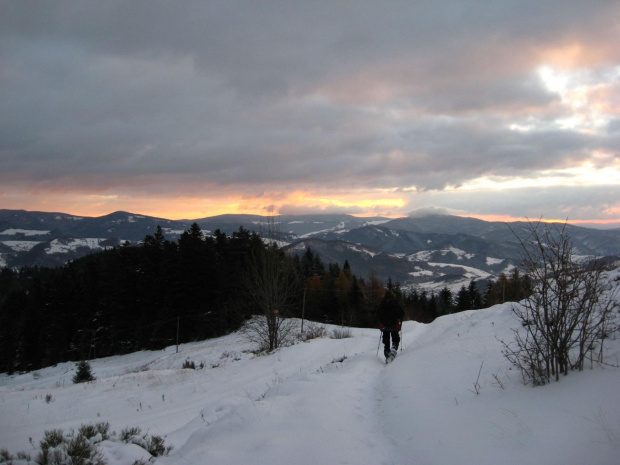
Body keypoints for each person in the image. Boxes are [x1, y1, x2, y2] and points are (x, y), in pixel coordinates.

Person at [378, 290, 404, 361]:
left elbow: (379, 314)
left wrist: (381, 323)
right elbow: (401, 313)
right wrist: (399, 321)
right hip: (394, 324)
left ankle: (387, 353)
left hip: (385, 325)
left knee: (386, 339)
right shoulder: (395, 303)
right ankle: (393, 349)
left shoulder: (382, 303)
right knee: (395, 338)